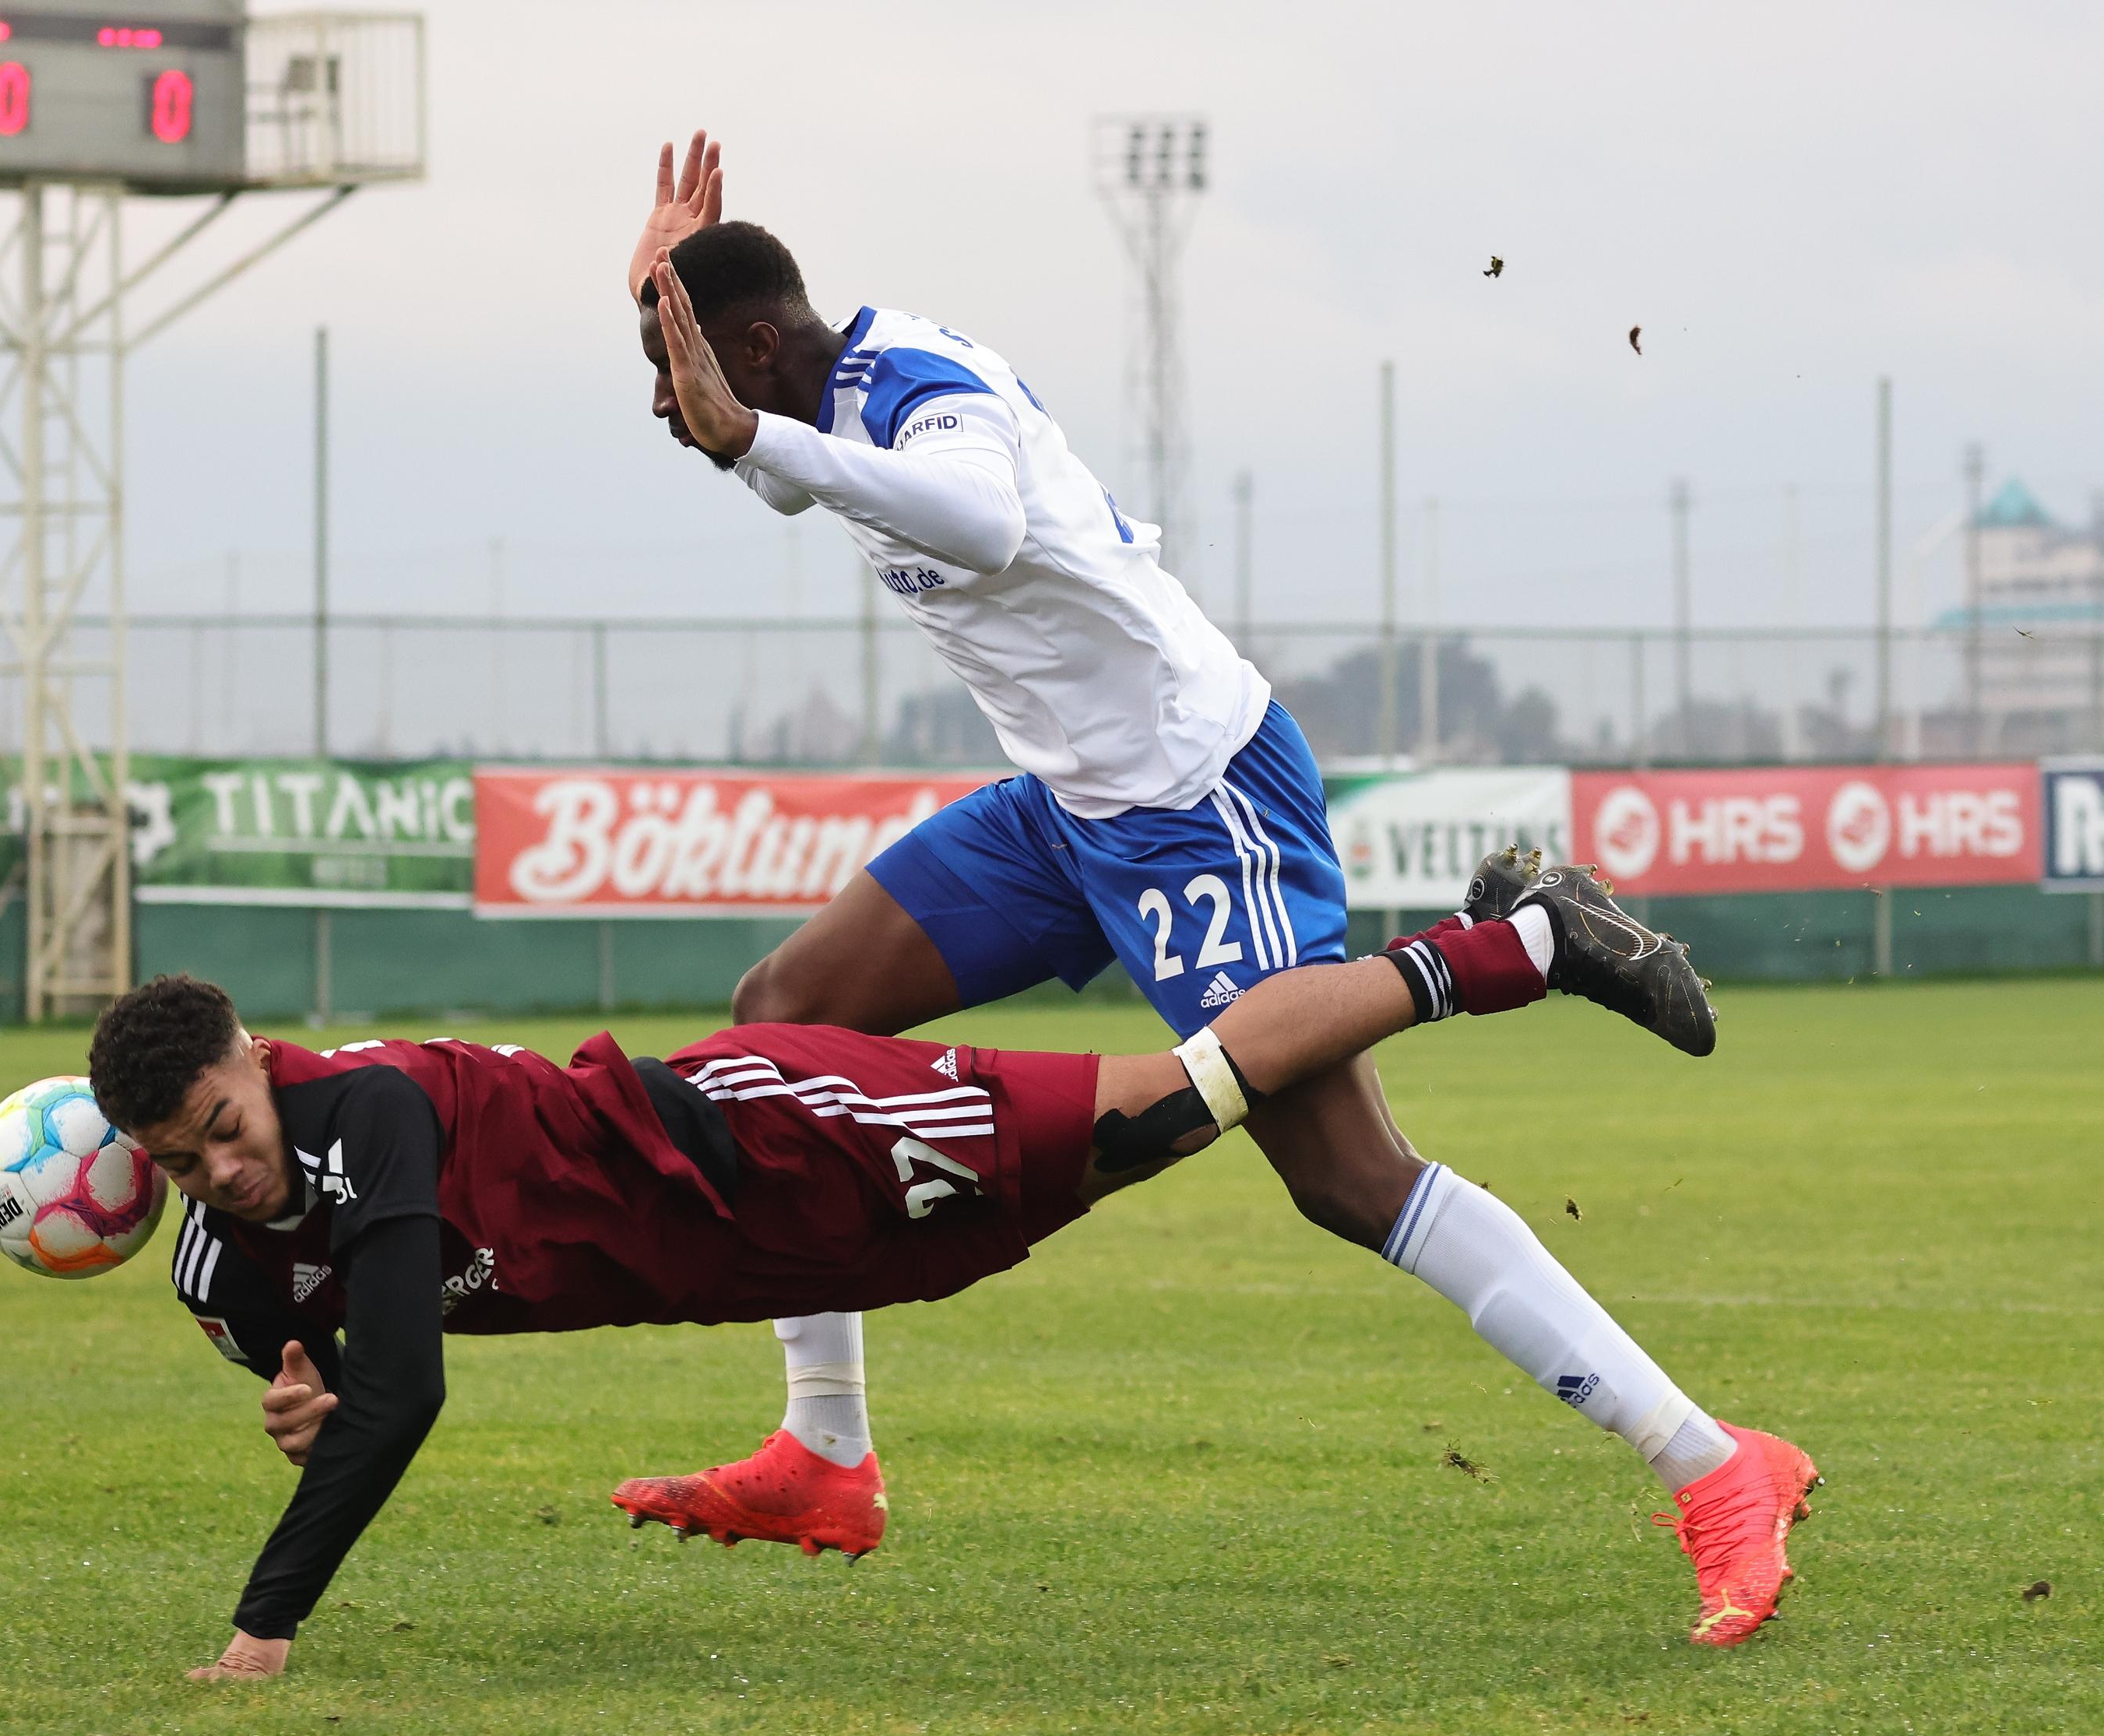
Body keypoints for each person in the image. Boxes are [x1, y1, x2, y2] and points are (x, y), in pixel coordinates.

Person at [617, 135, 1716, 1559]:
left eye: (679, 371)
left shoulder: (915, 391)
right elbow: (779, 465)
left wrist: (744, 425)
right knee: (784, 1020)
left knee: (1347, 1177)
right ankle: (825, 1448)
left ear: (756, 347)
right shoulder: (814, 397)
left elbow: (982, 517)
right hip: (1066, 810)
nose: (665, 405)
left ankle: (1705, 1455)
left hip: (1200, 796)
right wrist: (670, 306)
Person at [79, 963, 1814, 1683]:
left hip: (779, 1143)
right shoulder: (240, 1257)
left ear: (259, 1060)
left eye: (226, 1130)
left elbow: (402, 1386)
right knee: (798, 994)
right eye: (184, 1165)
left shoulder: (363, 1115)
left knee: (1194, 1122)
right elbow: (351, 1351)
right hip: (751, 1215)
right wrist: (323, 1382)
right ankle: (827, 1451)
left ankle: (1510, 940)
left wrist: (263, 1629)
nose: (220, 1173)